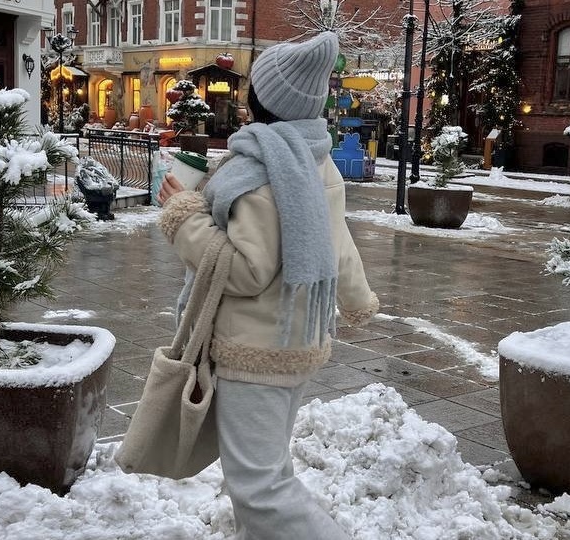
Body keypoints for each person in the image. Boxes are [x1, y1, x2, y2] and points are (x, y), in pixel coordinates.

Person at [156, 31, 378, 540]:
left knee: (259, 490)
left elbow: (244, 270)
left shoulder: (261, 171)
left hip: (256, 350)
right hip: (296, 337)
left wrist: (181, 215)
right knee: (272, 473)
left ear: (260, 100)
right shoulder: (314, 158)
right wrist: (357, 299)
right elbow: (337, 239)